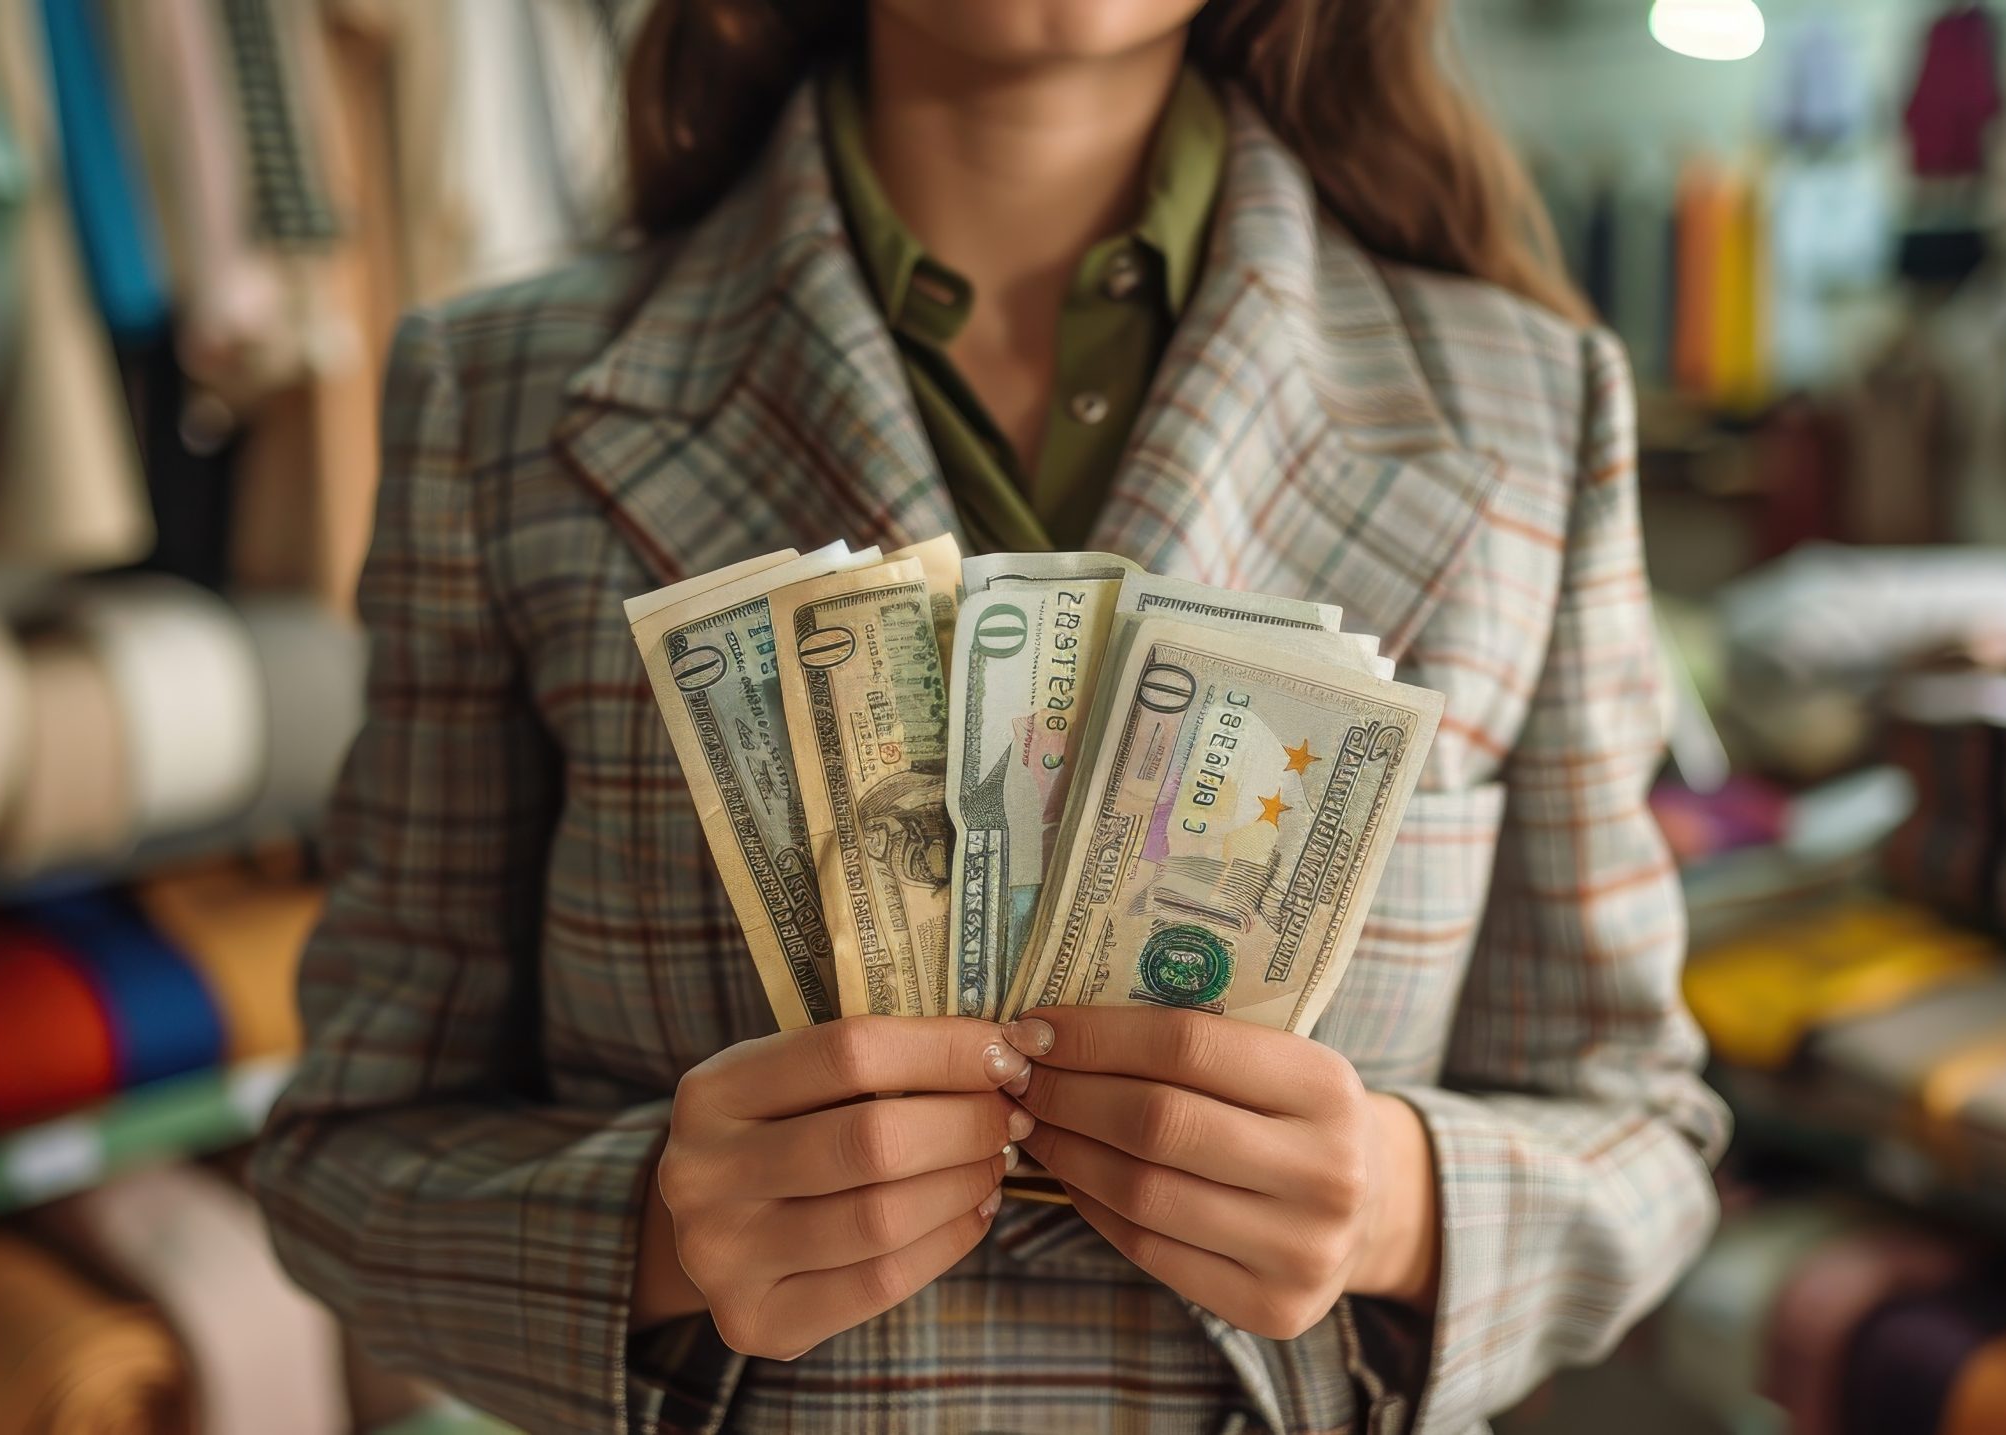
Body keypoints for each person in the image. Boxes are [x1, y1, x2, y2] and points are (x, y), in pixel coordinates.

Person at [250, 1, 1729, 1430]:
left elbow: (1643, 1127)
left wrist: (1408, 1207)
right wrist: (645, 1237)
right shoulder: (495, 395)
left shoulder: (1537, 403)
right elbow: (348, 1153)